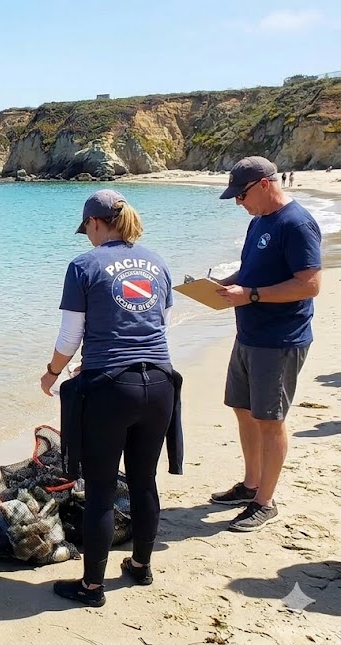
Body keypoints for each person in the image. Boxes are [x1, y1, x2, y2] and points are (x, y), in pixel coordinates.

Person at [42, 189, 178, 608]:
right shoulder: (158, 262)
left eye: (87, 228)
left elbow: (70, 335)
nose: (87, 236)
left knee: (100, 489)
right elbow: (159, 324)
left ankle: (91, 588)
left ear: (96, 224)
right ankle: (141, 565)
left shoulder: (84, 265)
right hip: (160, 383)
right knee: (143, 480)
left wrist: (52, 372)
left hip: (111, 388)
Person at [211, 156, 321, 532]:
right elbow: (251, 269)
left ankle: (265, 501)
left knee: (270, 420)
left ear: (263, 185)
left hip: (280, 339)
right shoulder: (259, 221)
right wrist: (226, 285)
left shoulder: (297, 223)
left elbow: (310, 284)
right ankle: (250, 484)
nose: (239, 204)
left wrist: (252, 295)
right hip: (250, 335)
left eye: (241, 196)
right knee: (243, 409)